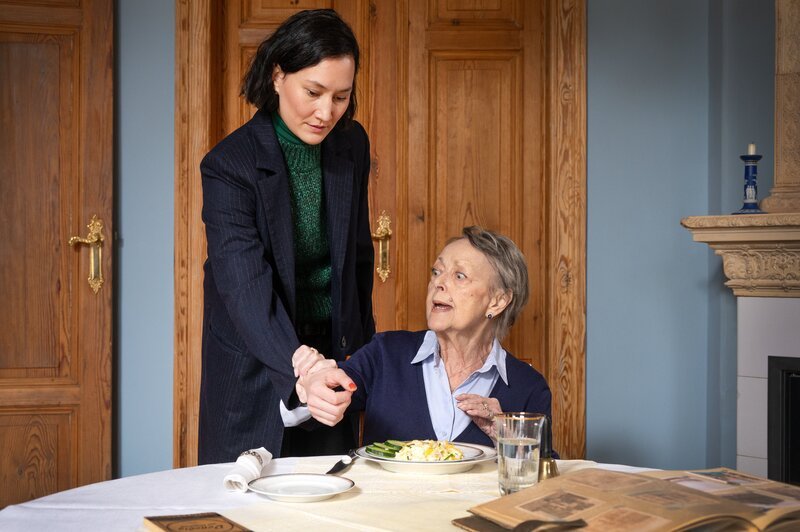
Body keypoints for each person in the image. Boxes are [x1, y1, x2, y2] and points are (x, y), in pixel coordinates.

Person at [198, 8, 375, 464]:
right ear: (278, 76)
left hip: (331, 357)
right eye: (313, 92)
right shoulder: (229, 165)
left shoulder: (351, 144)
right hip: (255, 357)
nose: (326, 113)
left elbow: (357, 261)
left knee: (331, 498)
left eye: (341, 96)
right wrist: (302, 367)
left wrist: (360, 360)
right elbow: (243, 284)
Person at [294, 227, 553, 447]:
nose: (439, 283)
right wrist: (314, 383)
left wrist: (509, 436)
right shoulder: (385, 353)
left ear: (498, 301)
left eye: (459, 276)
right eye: (436, 272)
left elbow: (544, 483)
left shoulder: (528, 387)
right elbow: (325, 394)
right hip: (387, 506)